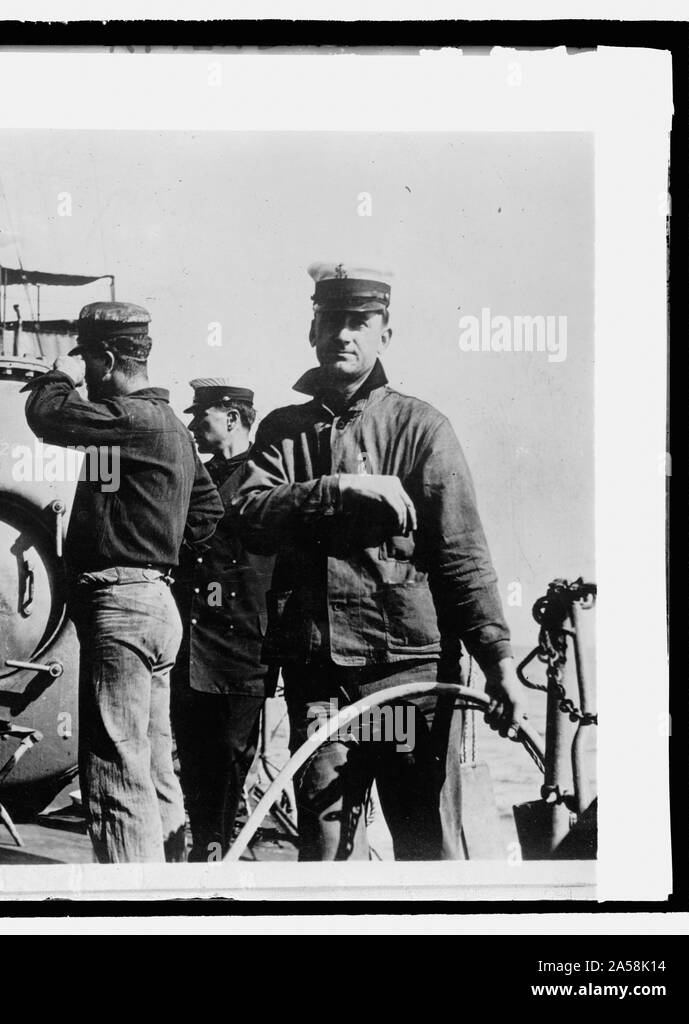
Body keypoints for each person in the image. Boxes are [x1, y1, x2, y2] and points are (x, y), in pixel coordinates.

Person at [231, 263, 529, 861]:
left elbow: (463, 556)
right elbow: (246, 514)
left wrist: (497, 659)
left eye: (359, 322)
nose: (343, 334)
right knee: (325, 844)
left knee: (425, 842)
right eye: (331, 321)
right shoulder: (283, 431)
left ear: (384, 334)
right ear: (311, 330)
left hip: (408, 678)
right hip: (319, 677)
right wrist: (337, 488)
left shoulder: (422, 429)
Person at [24, 301, 223, 863]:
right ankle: (173, 890)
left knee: (114, 772)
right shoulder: (174, 430)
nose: (85, 374)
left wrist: (51, 375)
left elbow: (49, 416)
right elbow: (207, 512)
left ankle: (132, 907)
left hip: (122, 607)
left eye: (87, 361)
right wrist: (154, 543)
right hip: (157, 606)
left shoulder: (132, 419)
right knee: (154, 761)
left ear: (107, 358)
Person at [170, 379, 277, 861]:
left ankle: (220, 859)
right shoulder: (195, 477)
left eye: (202, 415)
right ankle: (206, 856)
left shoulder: (268, 478)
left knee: (231, 759)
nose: (192, 425)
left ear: (232, 418)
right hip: (191, 647)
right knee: (193, 761)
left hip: (242, 650)